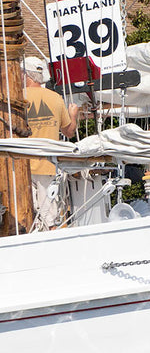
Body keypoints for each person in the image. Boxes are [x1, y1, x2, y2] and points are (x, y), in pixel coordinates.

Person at [23, 55, 75, 230]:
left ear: (25, 75)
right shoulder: (55, 98)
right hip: (48, 165)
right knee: (50, 217)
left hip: (21, 167)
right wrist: (73, 115)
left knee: (25, 217)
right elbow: (69, 131)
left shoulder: (14, 99)